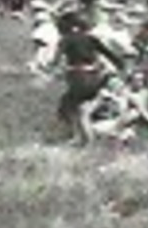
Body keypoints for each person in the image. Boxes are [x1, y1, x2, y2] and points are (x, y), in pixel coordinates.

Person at [55, 11, 128, 146]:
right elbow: (112, 56)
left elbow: (55, 60)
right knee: (86, 106)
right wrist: (121, 66)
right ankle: (100, 132)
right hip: (95, 78)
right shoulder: (91, 38)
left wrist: (55, 68)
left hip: (79, 79)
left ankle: (79, 137)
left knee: (69, 105)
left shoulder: (66, 39)